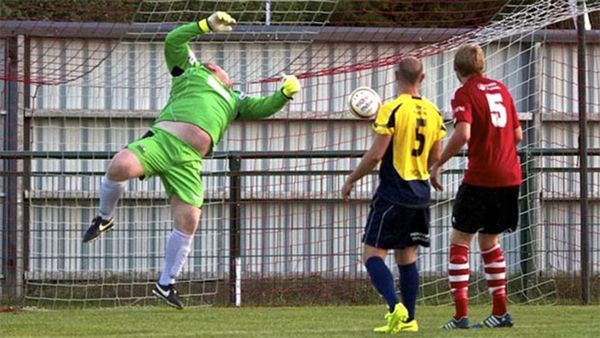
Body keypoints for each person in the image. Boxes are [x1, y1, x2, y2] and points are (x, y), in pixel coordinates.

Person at [82, 11, 300, 310]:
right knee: (121, 165)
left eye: (219, 66)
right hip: (162, 142)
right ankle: (104, 218)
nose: (213, 63)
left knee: (189, 219)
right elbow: (174, 39)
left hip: (189, 162)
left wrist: (284, 93)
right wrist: (205, 26)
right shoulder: (190, 71)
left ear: (228, 80)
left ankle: (166, 283)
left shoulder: (235, 99)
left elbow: (263, 108)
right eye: (211, 62)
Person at [342, 57, 446, 334]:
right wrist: (433, 172)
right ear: (421, 78)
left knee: (372, 255)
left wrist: (352, 178)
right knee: (407, 257)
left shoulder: (391, 109)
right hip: (420, 195)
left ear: (395, 76)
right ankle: (410, 319)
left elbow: (376, 154)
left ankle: (394, 306)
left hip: (393, 194)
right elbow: (436, 158)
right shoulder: (435, 112)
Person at [431, 43, 522, 329]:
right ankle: (500, 312)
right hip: (510, 177)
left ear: (457, 70)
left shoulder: (464, 93)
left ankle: (460, 316)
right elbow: (517, 135)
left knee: (460, 241)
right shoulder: (502, 90)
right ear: (483, 67)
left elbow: (463, 132)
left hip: (482, 177)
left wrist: (439, 162)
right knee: (489, 241)